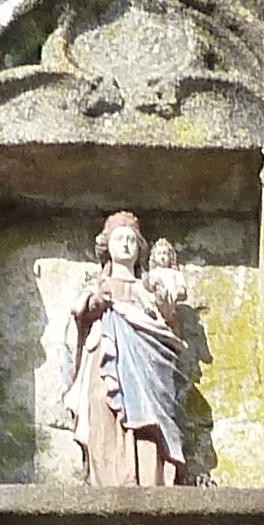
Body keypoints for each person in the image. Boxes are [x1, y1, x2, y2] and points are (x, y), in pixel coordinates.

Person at [58, 209, 190, 487]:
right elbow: (78, 316)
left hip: (147, 364)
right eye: (119, 239)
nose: (126, 244)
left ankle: (148, 476)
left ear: (140, 249)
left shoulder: (148, 288)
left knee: (148, 417)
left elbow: (168, 328)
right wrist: (96, 304)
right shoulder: (97, 285)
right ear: (107, 247)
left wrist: (163, 308)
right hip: (104, 353)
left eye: (131, 239)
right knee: (102, 403)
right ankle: (108, 477)